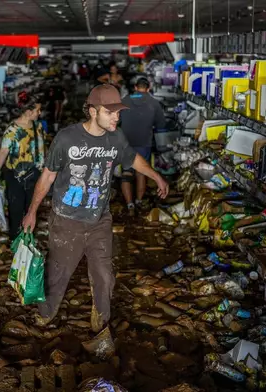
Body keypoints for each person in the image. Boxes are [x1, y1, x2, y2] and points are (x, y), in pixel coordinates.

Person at [21, 84, 169, 332]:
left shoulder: (116, 137)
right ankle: (45, 315)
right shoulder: (67, 138)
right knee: (57, 277)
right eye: (110, 113)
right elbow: (47, 177)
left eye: (118, 113)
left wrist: (156, 177)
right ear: (92, 111)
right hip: (66, 221)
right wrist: (32, 211)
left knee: (105, 277)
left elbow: (132, 159)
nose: (116, 117)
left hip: (100, 218)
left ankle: (100, 323)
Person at [0, 94, 44, 240]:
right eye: (37, 110)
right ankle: (15, 240)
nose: (40, 113)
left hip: (34, 174)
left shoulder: (38, 126)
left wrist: (43, 169)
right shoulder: (12, 130)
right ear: (28, 112)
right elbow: (4, 151)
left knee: (31, 208)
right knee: (15, 208)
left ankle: (28, 240)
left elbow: (40, 149)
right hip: (15, 175)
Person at [118, 77, 166, 215]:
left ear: (135, 87)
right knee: (141, 172)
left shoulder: (125, 100)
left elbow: (116, 120)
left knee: (126, 173)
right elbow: (161, 125)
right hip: (144, 143)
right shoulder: (154, 103)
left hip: (126, 142)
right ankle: (139, 200)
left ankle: (130, 205)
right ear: (148, 88)